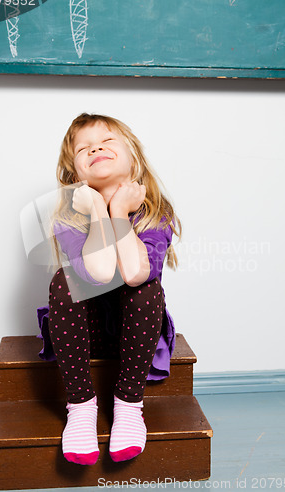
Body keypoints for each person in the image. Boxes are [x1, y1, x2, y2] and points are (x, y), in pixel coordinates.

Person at [37, 113, 181, 466]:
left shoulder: (155, 215)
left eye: (107, 141)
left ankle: (129, 406)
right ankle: (81, 408)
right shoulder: (68, 219)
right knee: (64, 282)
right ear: (75, 176)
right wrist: (99, 208)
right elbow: (99, 273)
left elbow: (134, 274)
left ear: (134, 160)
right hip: (85, 334)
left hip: (137, 335)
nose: (96, 147)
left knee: (145, 288)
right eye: (84, 148)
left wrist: (119, 211)